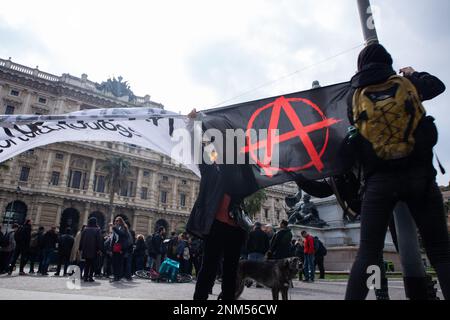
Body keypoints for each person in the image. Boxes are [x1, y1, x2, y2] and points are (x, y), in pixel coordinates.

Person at [345, 43, 450, 300]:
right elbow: (438, 86)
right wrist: (412, 75)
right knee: (440, 251)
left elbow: (355, 131)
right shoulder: (408, 85)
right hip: (420, 175)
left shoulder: (355, 95)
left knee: (368, 254)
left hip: (379, 181)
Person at [187, 109, 257, 300]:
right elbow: (200, 145)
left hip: (236, 227)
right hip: (216, 225)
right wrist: (195, 124)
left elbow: (252, 184)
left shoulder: (240, 168)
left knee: (231, 272)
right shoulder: (213, 165)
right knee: (208, 269)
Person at [79, 217, 102, 282]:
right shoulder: (97, 230)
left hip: (85, 250)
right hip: (94, 250)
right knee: (92, 264)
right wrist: (99, 249)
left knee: (86, 264)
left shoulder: (85, 229)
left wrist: (80, 248)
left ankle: (85, 277)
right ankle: (90, 277)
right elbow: (99, 240)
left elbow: (82, 239)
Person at [110, 217, 129, 282]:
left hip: (121, 248)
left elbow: (122, 234)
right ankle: (116, 276)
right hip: (115, 247)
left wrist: (114, 228)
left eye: (117, 221)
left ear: (120, 221)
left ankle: (117, 277)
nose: (116, 222)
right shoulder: (117, 228)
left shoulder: (124, 228)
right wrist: (111, 248)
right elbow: (114, 239)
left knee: (119, 263)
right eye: (115, 221)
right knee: (114, 262)